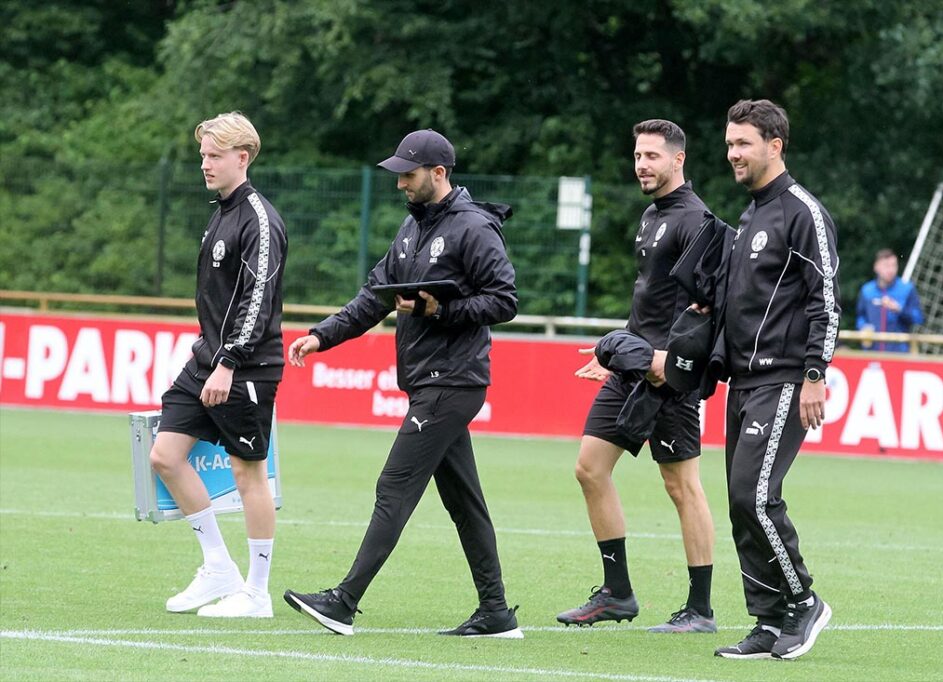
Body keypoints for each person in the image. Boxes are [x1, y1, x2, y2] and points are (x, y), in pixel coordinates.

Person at [282, 129, 522, 638]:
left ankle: (344, 602)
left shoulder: (473, 228)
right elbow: (374, 297)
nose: (400, 185)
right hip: (430, 381)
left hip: (451, 381)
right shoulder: (411, 230)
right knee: (464, 501)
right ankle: (496, 613)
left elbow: (504, 300)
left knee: (395, 485)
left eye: (408, 176)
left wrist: (444, 309)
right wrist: (322, 336)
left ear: (439, 173)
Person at [556, 120, 718, 634]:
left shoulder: (699, 222)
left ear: (678, 159)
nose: (642, 164)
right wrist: (616, 355)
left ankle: (700, 609)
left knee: (681, 485)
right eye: (638, 155)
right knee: (589, 468)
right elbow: (647, 301)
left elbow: (709, 310)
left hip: (669, 376)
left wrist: (671, 363)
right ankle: (617, 593)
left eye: (652, 155)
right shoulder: (651, 215)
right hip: (629, 367)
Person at [710, 99, 838, 659]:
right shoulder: (750, 215)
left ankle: (803, 602)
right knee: (742, 502)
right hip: (742, 383)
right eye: (730, 143)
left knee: (754, 494)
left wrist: (815, 373)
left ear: (774, 145)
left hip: (785, 379)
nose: (733, 153)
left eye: (743, 143)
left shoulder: (801, 212)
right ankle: (767, 621)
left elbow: (825, 302)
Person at [149, 111, 288, 618]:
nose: (204, 163)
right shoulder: (222, 211)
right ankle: (218, 570)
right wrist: (212, 357)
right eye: (202, 154)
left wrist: (228, 361)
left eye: (213, 155)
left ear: (242, 158)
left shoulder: (258, 218)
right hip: (206, 360)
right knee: (164, 454)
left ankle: (256, 592)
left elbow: (258, 298)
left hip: (245, 366)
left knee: (248, 472)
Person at [856, 248, 924, 352]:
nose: (891, 270)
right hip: (872, 352)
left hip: (899, 353)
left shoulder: (906, 289)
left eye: (894, 265)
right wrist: (863, 327)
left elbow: (918, 318)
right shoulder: (867, 290)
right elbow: (861, 316)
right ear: (876, 267)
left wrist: (899, 310)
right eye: (886, 266)